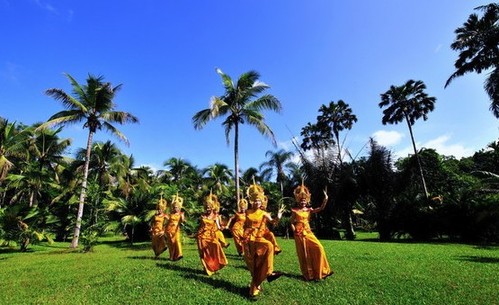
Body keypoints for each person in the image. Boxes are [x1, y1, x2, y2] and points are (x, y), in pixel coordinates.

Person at [243, 181, 283, 297]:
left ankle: (269, 273)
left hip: (258, 238)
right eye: (255, 200)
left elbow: (273, 222)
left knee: (269, 246)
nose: (257, 202)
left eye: (259, 200)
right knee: (254, 264)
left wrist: (278, 217)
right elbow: (241, 224)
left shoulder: (264, 213)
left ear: (261, 202)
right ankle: (254, 289)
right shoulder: (247, 212)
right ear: (251, 201)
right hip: (248, 239)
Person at [290, 182, 333, 281]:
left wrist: (325, 199)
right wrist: (294, 232)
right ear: (298, 201)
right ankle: (309, 275)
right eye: (301, 200)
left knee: (319, 247)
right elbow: (291, 222)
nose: (303, 202)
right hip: (299, 233)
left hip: (308, 232)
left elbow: (321, 208)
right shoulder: (295, 210)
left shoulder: (309, 210)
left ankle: (323, 271)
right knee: (304, 254)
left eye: (304, 200)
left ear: (307, 200)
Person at [196, 192, 228, 276]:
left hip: (211, 236)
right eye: (206, 207)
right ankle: (206, 269)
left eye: (209, 207)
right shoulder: (202, 215)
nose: (208, 208)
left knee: (217, 245)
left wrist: (222, 227)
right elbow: (200, 226)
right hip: (201, 236)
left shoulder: (216, 216)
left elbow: (218, 226)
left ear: (212, 207)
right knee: (203, 253)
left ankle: (218, 263)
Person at [164, 193, 185, 261]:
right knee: (171, 243)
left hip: (176, 230)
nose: (175, 208)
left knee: (177, 241)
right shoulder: (170, 214)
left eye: (176, 207)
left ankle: (179, 254)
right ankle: (172, 256)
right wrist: (164, 229)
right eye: (174, 207)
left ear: (179, 208)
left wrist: (182, 218)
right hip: (169, 230)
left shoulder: (181, 214)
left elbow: (182, 221)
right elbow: (167, 222)